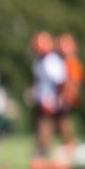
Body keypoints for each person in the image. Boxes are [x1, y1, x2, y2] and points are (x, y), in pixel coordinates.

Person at [30, 30, 66, 158]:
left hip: (50, 98)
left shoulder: (52, 61)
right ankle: (42, 147)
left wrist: (56, 98)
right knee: (42, 122)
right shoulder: (39, 61)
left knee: (51, 123)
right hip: (43, 98)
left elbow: (59, 81)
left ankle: (47, 149)